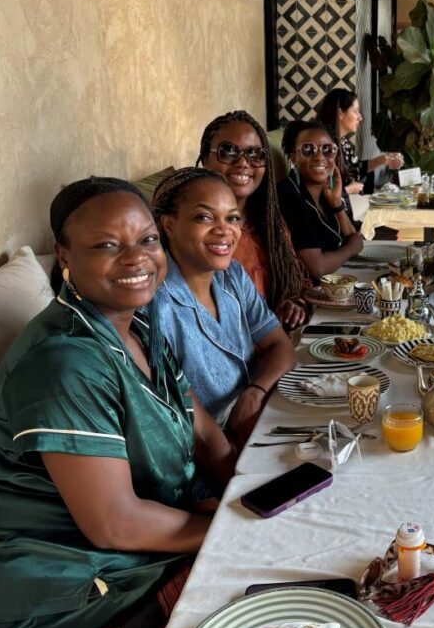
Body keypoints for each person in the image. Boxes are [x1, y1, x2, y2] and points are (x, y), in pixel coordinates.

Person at [0, 178, 237, 628]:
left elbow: (206, 435)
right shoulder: (62, 362)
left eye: (147, 240)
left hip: (136, 546)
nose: (137, 258)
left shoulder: (139, 327)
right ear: (64, 255)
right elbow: (114, 523)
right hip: (60, 588)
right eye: (108, 245)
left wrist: (257, 497)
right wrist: (233, 533)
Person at [151, 168, 297, 445]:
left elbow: (282, 347)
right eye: (204, 217)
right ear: (169, 225)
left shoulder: (232, 276)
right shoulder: (155, 306)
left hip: (257, 416)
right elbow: (179, 425)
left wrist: (255, 391)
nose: (224, 230)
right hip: (210, 454)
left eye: (232, 218)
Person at [196, 109, 308, 330]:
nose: (243, 163)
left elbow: (297, 282)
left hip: (280, 341)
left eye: (255, 154)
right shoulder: (196, 232)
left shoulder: (271, 225)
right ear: (205, 160)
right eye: (228, 151)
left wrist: (293, 304)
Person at [277, 119, 364, 279]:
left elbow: (354, 237)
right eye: (308, 150)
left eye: (328, 150)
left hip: (337, 281)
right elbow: (317, 267)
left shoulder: (325, 194)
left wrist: (337, 204)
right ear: (294, 157)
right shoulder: (288, 197)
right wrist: (349, 249)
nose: (319, 157)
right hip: (309, 296)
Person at [316, 88, 403, 195]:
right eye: (356, 111)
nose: (360, 117)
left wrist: (384, 160)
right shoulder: (324, 147)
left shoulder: (342, 142)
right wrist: (349, 190)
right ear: (340, 113)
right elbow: (320, 193)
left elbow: (355, 168)